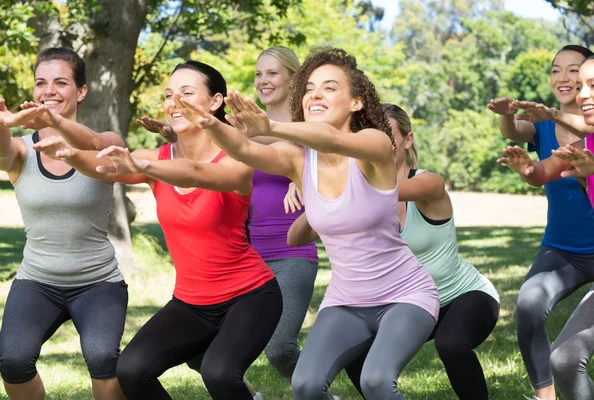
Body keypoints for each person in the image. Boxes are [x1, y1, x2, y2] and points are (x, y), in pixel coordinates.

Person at [168, 46, 439, 400]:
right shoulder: (299, 159)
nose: (315, 94)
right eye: (310, 87)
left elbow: (336, 139)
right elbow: (247, 151)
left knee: (375, 381)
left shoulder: (374, 143)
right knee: (306, 385)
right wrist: (210, 123)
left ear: (356, 102)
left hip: (406, 294)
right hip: (345, 301)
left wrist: (274, 126)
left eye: (329, 87)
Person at [31, 60, 283, 400]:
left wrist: (145, 165)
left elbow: (194, 172)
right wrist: (71, 154)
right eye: (168, 94)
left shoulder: (237, 158)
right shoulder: (157, 156)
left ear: (215, 102)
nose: (173, 101)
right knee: (132, 370)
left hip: (250, 296)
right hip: (191, 303)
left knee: (219, 372)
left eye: (187, 93)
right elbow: (106, 167)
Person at [285, 103, 500, 399]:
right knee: (356, 360)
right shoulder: (352, 191)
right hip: (395, 301)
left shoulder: (428, 182)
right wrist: (320, 194)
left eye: (384, 134)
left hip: (458, 296)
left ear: (407, 140)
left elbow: (381, 192)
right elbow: (295, 238)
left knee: (451, 343)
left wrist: (325, 186)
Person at [0, 47, 128, 400]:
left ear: (81, 91)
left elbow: (105, 150)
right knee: (12, 360)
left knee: (103, 358)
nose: (49, 90)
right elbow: (2, 153)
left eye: (60, 82)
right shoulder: (23, 150)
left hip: (97, 282)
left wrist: (55, 124)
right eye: (41, 82)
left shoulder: (107, 143)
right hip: (37, 280)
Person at [488, 44, 594, 400]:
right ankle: (545, 394)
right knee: (552, 339)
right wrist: (527, 169)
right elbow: (543, 171)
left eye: (588, 82)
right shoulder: (569, 137)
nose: (577, 88)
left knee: (568, 357)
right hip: (564, 249)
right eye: (558, 71)